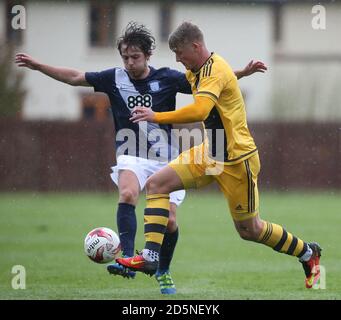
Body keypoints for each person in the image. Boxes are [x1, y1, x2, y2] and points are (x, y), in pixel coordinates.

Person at [15, 22, 267, 294]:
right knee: (127, 194)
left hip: (165, 157)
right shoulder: (113, 78)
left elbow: (210, 84)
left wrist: (243, 72)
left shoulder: (169, 78)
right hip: (131, 153)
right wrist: (40, 66)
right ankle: (126, 257)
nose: (129, 62)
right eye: (125, 57)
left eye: (135, 57)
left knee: (170, 221)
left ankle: (163, 269)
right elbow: (76, 77)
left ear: (147, 56)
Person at [117, 21, 322, 290]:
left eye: (180, 52)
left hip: (238, 161)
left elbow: (201, 110)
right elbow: (221, 84)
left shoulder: (215, 69)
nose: (178, 59)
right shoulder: (196, 70)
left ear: (196, 46)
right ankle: (151, 257)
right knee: (157, 184)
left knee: (251, 230)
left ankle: (309, 253)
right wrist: (243, 73)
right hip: (210, 153)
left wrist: (156, 115)